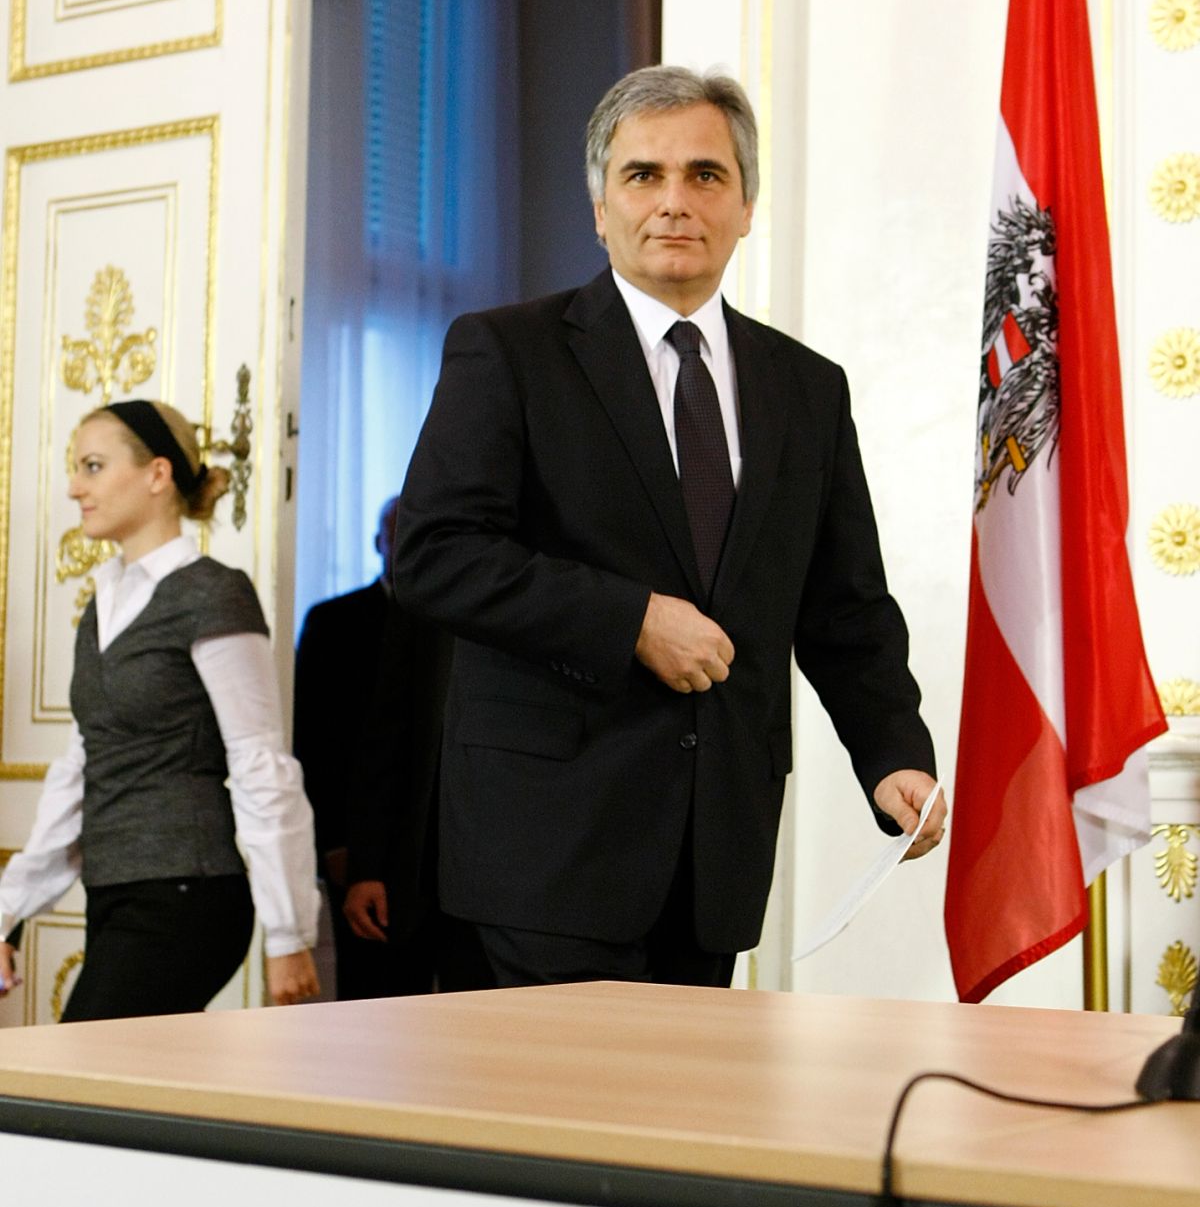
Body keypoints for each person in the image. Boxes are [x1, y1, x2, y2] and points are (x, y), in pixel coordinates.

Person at [392, 65, 947, 990]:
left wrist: (894, 755)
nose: (674, 202)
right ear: (600, 207)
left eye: (706, 175)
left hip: (714, 851)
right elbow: (435, 557)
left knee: (680, 1127)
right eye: (643, 175)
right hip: (545, 846)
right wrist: (631, 619)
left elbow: (842, 603)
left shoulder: (807, 390)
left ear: (746, 206)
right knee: (568, 1130)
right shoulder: (508, 351)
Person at [0, 400, 320, 1017]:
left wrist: (289, 935)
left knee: (84, 1084)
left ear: (157, 474)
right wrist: (7, 913)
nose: (75, 488)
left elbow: (260, 761)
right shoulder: (102, 607)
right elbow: (84, 765)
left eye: (92, 466)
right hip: (115, 892)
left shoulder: (212, 592)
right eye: (75, 469)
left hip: (189, 894)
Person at [295, 500, 489, 997]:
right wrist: (347, 849)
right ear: (379, 543)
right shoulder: (336, 620)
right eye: (396, 535)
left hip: (475, 863)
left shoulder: (478, 609)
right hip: (391, 853)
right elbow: (327, 741)